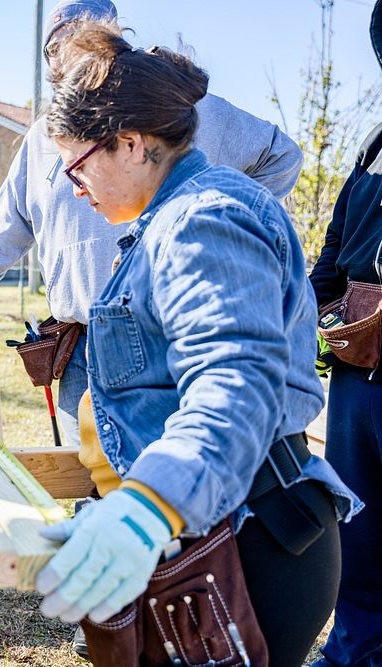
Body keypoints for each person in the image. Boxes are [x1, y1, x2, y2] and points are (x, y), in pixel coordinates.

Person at [32, 20, 360, 667]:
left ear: (128, 143)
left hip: (252, 542)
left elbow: (234, 382)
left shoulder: (202, 220)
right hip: (228, 530)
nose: (73, 188)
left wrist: (148, 506)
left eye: (75, 165)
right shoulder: (174, 219)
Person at [0, 0, 303, 448]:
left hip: (163, 339)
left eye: (83, 170)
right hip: (83, 344)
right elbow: (2, 232)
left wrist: (214, 216)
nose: (82, 189)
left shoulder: (178, 106)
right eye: (57, 47)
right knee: (95, 480)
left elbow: (281, 158)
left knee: (167, 481)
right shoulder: (44, 137)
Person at [309, 3, 382, 665]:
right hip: (358, 376)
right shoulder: (373, 146)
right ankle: (351, 652)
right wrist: (305, 311)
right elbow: (333, 255)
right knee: (356, 529)